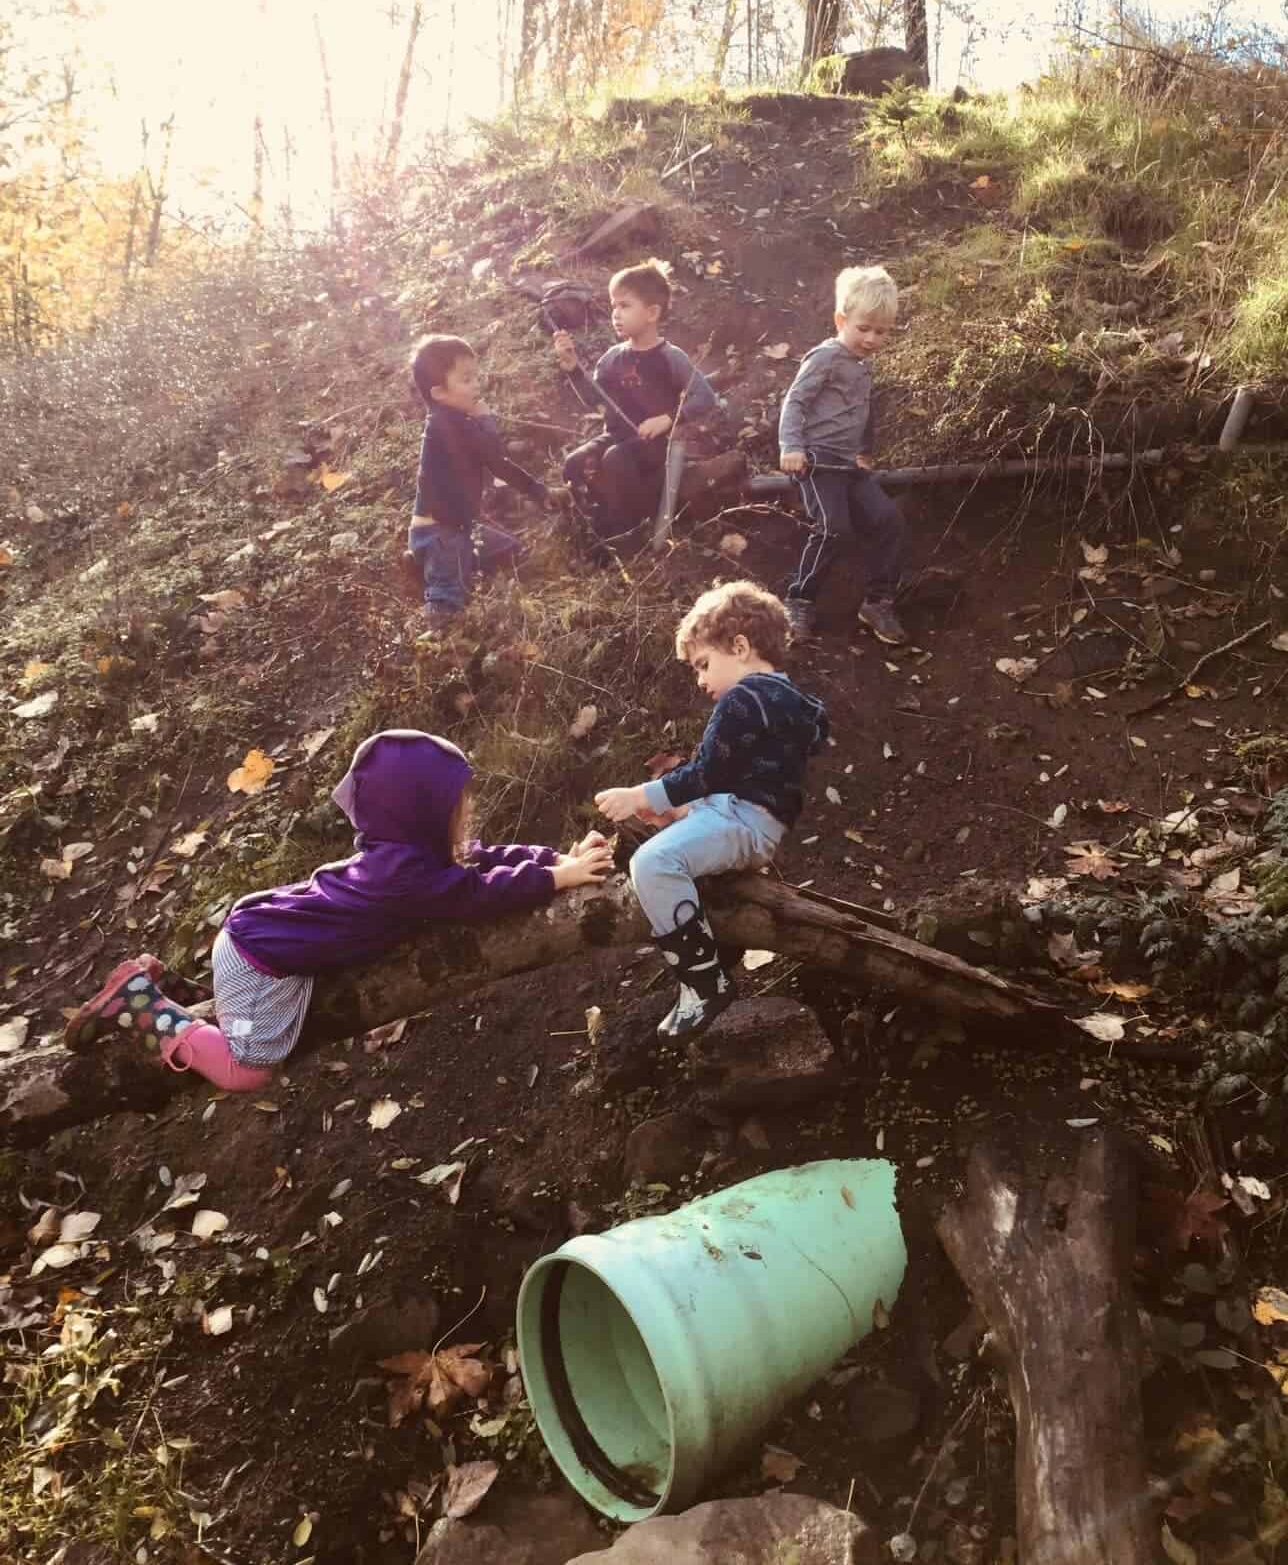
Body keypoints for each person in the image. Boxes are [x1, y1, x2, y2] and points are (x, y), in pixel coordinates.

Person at [65, 731, 613, 1089]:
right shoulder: (404, 875)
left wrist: (556, 859)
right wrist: (555, 878)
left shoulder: (406, 853)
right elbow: (474, 896)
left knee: (255, 1044)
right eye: (455, 805)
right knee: (246, 1071)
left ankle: (176, 994)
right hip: (258, 959)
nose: (465, 815)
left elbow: (479, 860)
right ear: (418, 810)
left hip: (266, 937)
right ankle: (145, 1007)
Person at [595, 581, 828, 1041]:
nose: (700, 681)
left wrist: (642, 795)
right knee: (672, 834)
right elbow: (734, 778)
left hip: (743, 822)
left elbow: (708, 772)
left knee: (652, 862)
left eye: (703, 664)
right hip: (746, 814)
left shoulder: (745, 699)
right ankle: (714, 944)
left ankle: (704, 983)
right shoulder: (780, 700)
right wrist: (683, 811)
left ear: (739, 647)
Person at [778, 265, 908, 647]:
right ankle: (799, 600)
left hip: (849, 465)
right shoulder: (825, 357)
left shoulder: (862, 366)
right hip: (817, 462)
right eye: (863, 328)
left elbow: (862, 411)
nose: (871, 339)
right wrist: (792, 447)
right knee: (834, 528)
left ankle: (878, 601)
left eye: (881, 332)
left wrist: (865, 451)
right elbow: (795, 401)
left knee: (889, 520)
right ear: (841, 320)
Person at [553, 258, 716, 545]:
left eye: (625, 305)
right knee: (574, 462)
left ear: (652, 312)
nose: (616, 313)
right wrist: (572, 367)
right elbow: (594, 399)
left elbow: (704, 396)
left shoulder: (671, 357)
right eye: (614, 305)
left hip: (656, 444)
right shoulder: (612, 358)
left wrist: (666, 418)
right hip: (617, 435)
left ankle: (630, 533)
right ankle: (587, 525)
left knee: (616, 459)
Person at [406, 334, 562, 629]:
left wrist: (537, 490)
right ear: (438, 392)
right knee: (448, 605)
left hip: (462, 529)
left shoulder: (454, 421)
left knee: (510, 552)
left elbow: (496, 462)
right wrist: (486, 421)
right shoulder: (445, 425)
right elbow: (496, 459)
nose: (476, 385)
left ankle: (426, 564)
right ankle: (433, 596)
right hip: (442, 533)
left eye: (475, 377)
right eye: (467, 380)